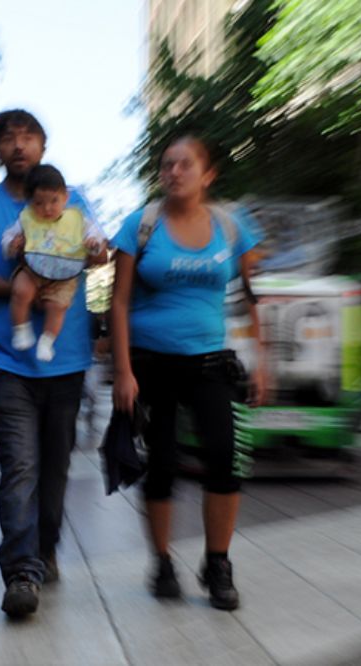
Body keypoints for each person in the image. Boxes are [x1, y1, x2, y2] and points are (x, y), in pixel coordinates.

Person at [0, 110, 107, 617]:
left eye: (28, 136)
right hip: (2, 359)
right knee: (20, 465)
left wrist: (96, 255)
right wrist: (12, 289)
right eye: (8, 139)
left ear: (42, 144)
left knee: (55, 466)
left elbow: (98, 250)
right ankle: (21, 572)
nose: (18, 146)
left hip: (66, 358)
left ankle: (45, 548)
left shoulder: (74, 200)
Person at [110, 133, 265, 611]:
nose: (174, 172)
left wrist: (261, 360)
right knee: (161, 465)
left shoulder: (232, 225)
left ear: (207, 174)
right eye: (166, 165)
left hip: (210, 363)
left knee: (224, 459)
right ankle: (161, 562)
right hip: (151, 364)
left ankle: (217, 563)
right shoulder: (141, 225)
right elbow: (118, 301)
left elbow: (252, 295)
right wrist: (122, 372)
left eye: (185, 165)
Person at [2, 164, 106, 361]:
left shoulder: (77, 219)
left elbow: (96, 238)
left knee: (57, 307)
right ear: (30, 202)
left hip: (65, 274)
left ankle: (47, 341)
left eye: (54, 201)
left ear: (65, 197)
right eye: (39, 203)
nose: (47, 208)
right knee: (21, 290)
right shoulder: (27, 219)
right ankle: (20, 328)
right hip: (33, 268)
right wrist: (11, 245)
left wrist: (94, 244)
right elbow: (8, 237)